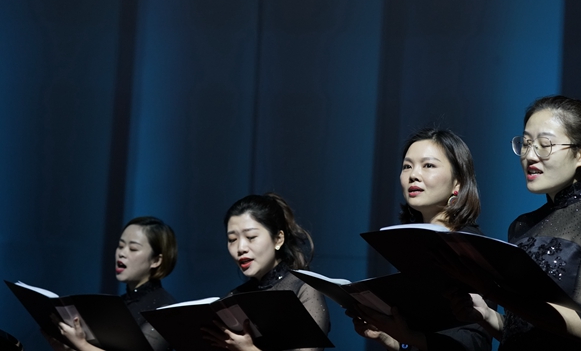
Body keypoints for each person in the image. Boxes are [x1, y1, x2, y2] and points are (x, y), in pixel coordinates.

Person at [460, 95, 581, 350]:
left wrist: (495, 293)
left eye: (544, 144)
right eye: (525, 143)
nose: (530, 155)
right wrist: (486, 314)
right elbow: (522, 331)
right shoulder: (522, 225)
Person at [348, 128, 493, 351]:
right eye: (407, 166)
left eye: (428, 165)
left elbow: (475, 342)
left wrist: (411, 337)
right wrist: (391, 339)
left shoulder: (469, 246)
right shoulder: (411, 242)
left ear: (458, 182)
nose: (413, 175)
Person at [200, 192, 330, 351]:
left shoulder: (304, 289)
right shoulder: (233, 298)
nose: (240, 248)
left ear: (278, 239)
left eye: (251, 237)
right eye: (232, 239)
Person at [53, 216, 178, 351]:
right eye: (120, 246)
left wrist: (81, 344)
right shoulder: (118, 304)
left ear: (156, 261)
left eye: (133, 248)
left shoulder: (165, 310)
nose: (122, 253)